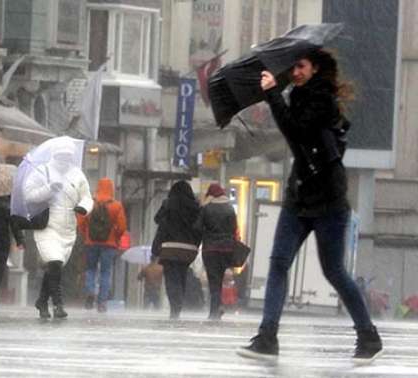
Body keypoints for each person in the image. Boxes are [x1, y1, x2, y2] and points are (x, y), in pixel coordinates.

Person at [237, 49, 382, 364]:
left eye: (301, 66)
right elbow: (295, 137)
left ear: (315, 69)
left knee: (334, 272)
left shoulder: (321, 101)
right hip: (299, 195)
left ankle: (368, 336)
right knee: (278, 262)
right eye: (294, 67)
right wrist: (276, 95)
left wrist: (273, 94)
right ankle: (267, 336)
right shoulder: (298, 95)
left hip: (328, 201)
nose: (297, 72)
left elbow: (297, 132)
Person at [25, 139, 93, 319]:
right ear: (55, 154)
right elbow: (29, 194)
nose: (64, 159)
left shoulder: (77, 174)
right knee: (54, 262)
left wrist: (83, 208)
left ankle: (41, 301)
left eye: (68, 156)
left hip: (68, 228)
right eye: (61, 155)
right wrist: (48, 189)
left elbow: (87, 196)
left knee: (55, 267)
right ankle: (58, 304)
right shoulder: (42, 171)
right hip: (47, 226)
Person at [151, 181, 202, 320]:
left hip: (169, 247)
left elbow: (158, 222)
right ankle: (178, 305)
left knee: (170, 278)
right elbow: (199, 229)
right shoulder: (196, 207)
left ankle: (175, 305)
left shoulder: (168, 204)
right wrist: (195, 245)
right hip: (187, 249)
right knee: (182, 275)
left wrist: (156, 248)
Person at [78, 177, 127, 313]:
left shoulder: (89, 203)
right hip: (109, 244)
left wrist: (86, 234)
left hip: (91, 242)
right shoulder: (116, 206)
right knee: (106, 272)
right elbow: (122, 227)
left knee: (90, 269)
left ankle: (90, 292)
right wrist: (115, 236)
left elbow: (81, 221)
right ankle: (102, 303)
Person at [196, 183, 238, 320]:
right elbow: (234, 229)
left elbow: (197, 227)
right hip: (226, 249)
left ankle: (214, 311)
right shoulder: (230, 209)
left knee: (214, 280)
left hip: (211, 249)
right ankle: (217, 306)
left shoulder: (207, 209)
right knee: (219, 279)